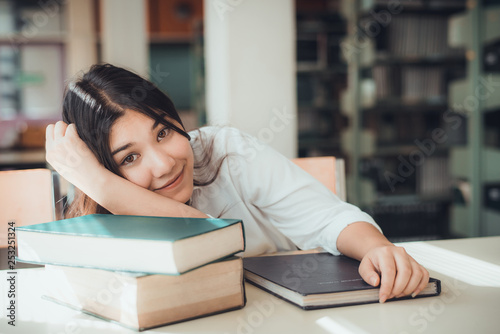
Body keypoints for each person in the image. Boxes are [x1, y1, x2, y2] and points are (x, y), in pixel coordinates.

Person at [46, 63, 429, 304]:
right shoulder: (99, 208)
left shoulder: (225, 150)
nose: (164, 165)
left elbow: (327, 218)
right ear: (102, 172)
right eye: (129, 158)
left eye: (163, 132)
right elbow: (201, 239)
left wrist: (377, 247)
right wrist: (100, 187)